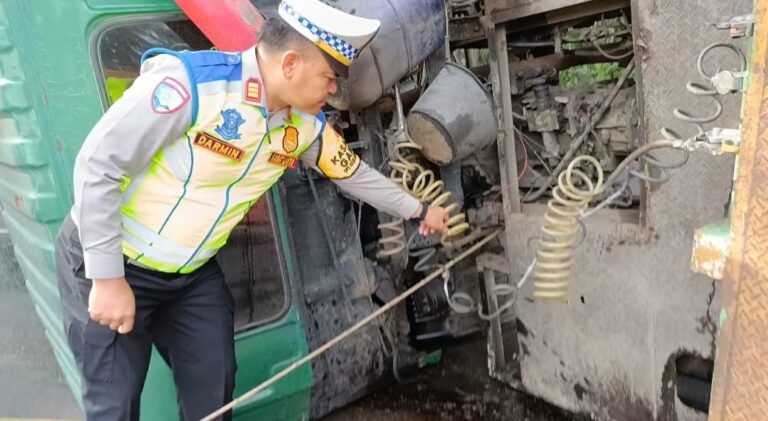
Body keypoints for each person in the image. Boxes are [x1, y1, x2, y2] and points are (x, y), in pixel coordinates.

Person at [55, 0, 450, 420]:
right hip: (114, 260)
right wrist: (108, 277)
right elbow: (99, 165)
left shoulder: (304, 127)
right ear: (291, 63)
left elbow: (354, 175)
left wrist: (418, 209)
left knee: (214, 390)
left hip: (189, 275)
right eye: (328, 78)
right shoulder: (190, 87)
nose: (333, 91)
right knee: (113, 405)